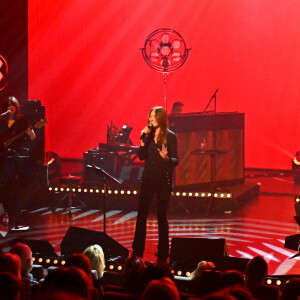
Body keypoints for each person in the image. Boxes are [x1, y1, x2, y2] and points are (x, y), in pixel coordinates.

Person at [132, 106, 178, 262]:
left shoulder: (171, 137)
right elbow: (141, 157)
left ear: (160, 118)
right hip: (148, 179)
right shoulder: (148, 135)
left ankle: (163, 251)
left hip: (163, 181)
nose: (150, 119)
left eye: (153, 116)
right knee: (141, 214)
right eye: (149, 116)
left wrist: (166, 158)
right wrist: (143, 142)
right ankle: (137, 249)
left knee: (161, 216)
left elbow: (176, 160)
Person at [0, 96, 36, 228]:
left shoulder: (22, 121)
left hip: (13, 159)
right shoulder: (2, 121)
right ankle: (4, 217)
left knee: (11, 190)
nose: (10, 107)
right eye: (8, 105)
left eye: (13, 105)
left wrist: (29, 133)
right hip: (2, 158)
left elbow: (33, 137)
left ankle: (13, 218)